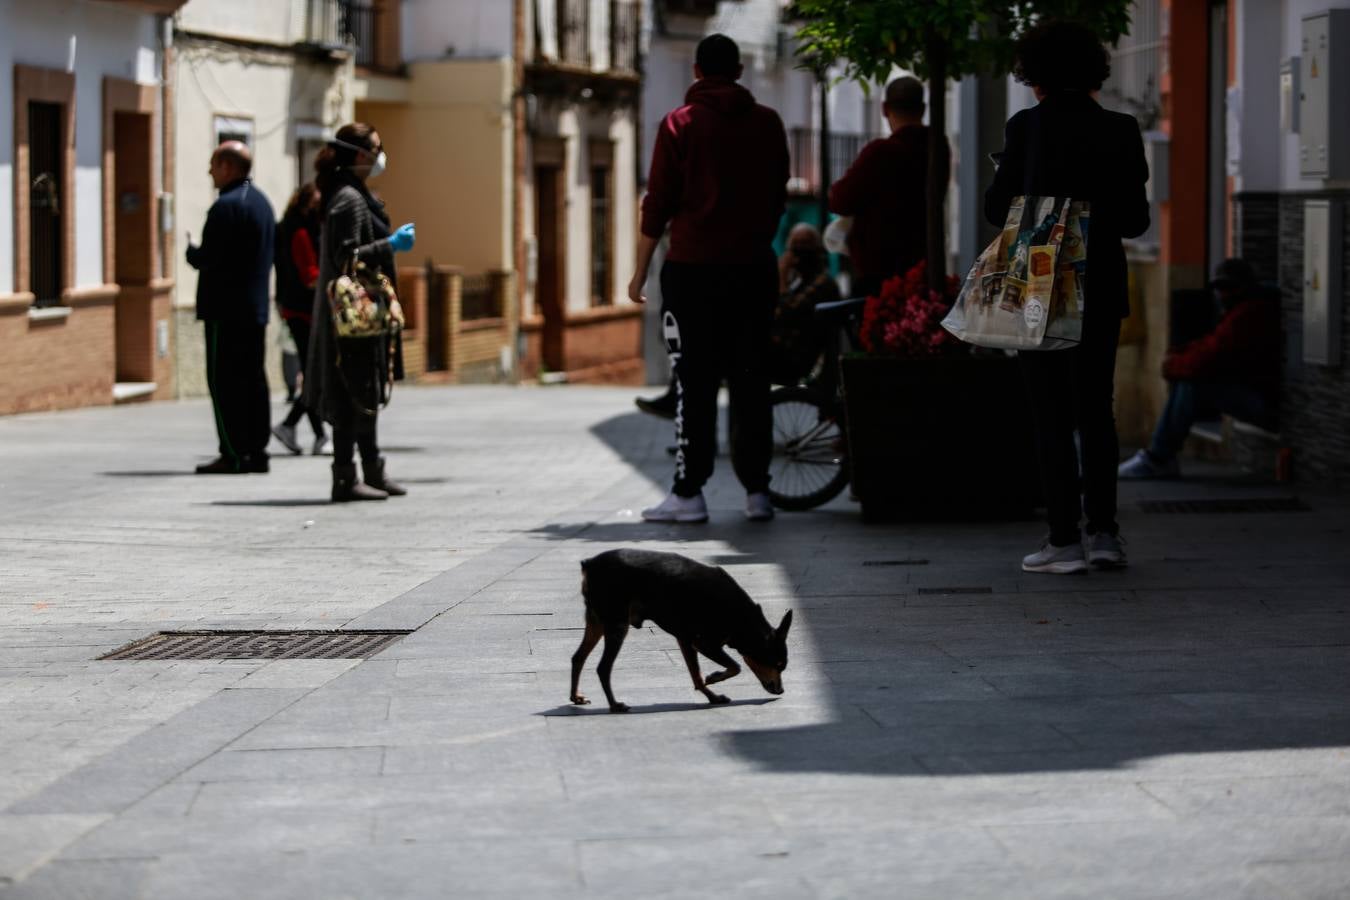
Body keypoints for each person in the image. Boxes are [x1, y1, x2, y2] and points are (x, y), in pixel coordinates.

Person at [984, 20, 1150, 573]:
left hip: (1041, 284)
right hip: (1101, 283)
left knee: (1049, 414)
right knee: (1095, 412)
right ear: (1094, 70)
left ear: (1034, 74)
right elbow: (1136, 219)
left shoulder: (1025, 129)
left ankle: (1062, 541)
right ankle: (1105, 534)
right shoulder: (1123, 129)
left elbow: (995, 210)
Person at [629, 33, 789, 523]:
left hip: (692, 272)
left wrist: (639, 271)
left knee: (692, 383)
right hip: (753, 270)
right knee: (751, 381)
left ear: (696, 71)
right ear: (739, 72)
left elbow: (657, 203)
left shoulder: (679, 124)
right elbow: (778, 192)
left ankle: (688, 493)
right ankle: (758, 492)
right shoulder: (767, 123)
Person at [305, 123, 416, 502]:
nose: (380, 155)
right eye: (375, 148)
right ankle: (345, 476)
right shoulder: (348, 199)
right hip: (353, 322)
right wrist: (390, 245)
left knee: (366, 394)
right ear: (358, 156)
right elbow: (345, 257)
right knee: (351, 394)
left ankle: (370, 470)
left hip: (363, 323)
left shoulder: (353, 194)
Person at [1119, 259, 1280, 479]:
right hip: (1250, 391)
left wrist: (1174, 364)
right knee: (1188, 380)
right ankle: (1158, 456)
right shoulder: (1239, 310)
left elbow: (1212, 355)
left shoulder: (1250, 313)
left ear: (1244, 287)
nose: (1222, 295)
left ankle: (1158, 457)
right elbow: (1209, 345)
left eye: (1228, 288)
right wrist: (1179, 358)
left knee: (1193, 383)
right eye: (1219, 289)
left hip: (1264, 402)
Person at [186, 141, 275, 474]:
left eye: (214, 164)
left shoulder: (225, 206)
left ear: (228, 167)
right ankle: (257, 451)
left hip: (225, 311)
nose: (210, 171)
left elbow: (211, 258)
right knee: (253, 381)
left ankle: (233, 452)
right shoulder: (263, 203)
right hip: (254, 310)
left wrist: (192, 253)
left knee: (223, 382)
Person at [829, 76, 950, 299]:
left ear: (885, 109)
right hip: (924, 265)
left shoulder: (881, 152)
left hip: (880, 273)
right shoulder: (937, 147)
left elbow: (839, 200)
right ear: (923, 109)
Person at [271, 183, 329, 456]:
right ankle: (293, 426)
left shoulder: (291, 228)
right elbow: (309, 276)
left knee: (312, 373)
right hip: (303, 312)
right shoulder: (301, 233)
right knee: (315, 374)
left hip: (297, 310)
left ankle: (312, 433)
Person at [770, 223, 840, 385]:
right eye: (795, 245)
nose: (799, 250)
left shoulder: (823, 283)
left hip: (794, 359)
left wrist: (781, 278)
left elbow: (786, 313)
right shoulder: (798, 281)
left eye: (805, 243)